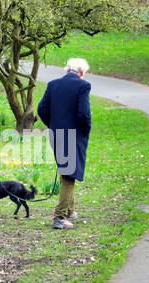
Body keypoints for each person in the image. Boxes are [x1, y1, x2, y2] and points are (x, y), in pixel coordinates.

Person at [38, 58, 92, 230]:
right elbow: (84, 114)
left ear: (67, 69)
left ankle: (70, 210)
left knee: (66, 170)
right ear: (81, 72)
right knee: (69, 173)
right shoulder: (83, 86)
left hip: (57, 134)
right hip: (73, 135)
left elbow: (42, 109)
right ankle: (59, 217)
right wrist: (84, 130)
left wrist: (53, 125)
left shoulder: (53, 84)